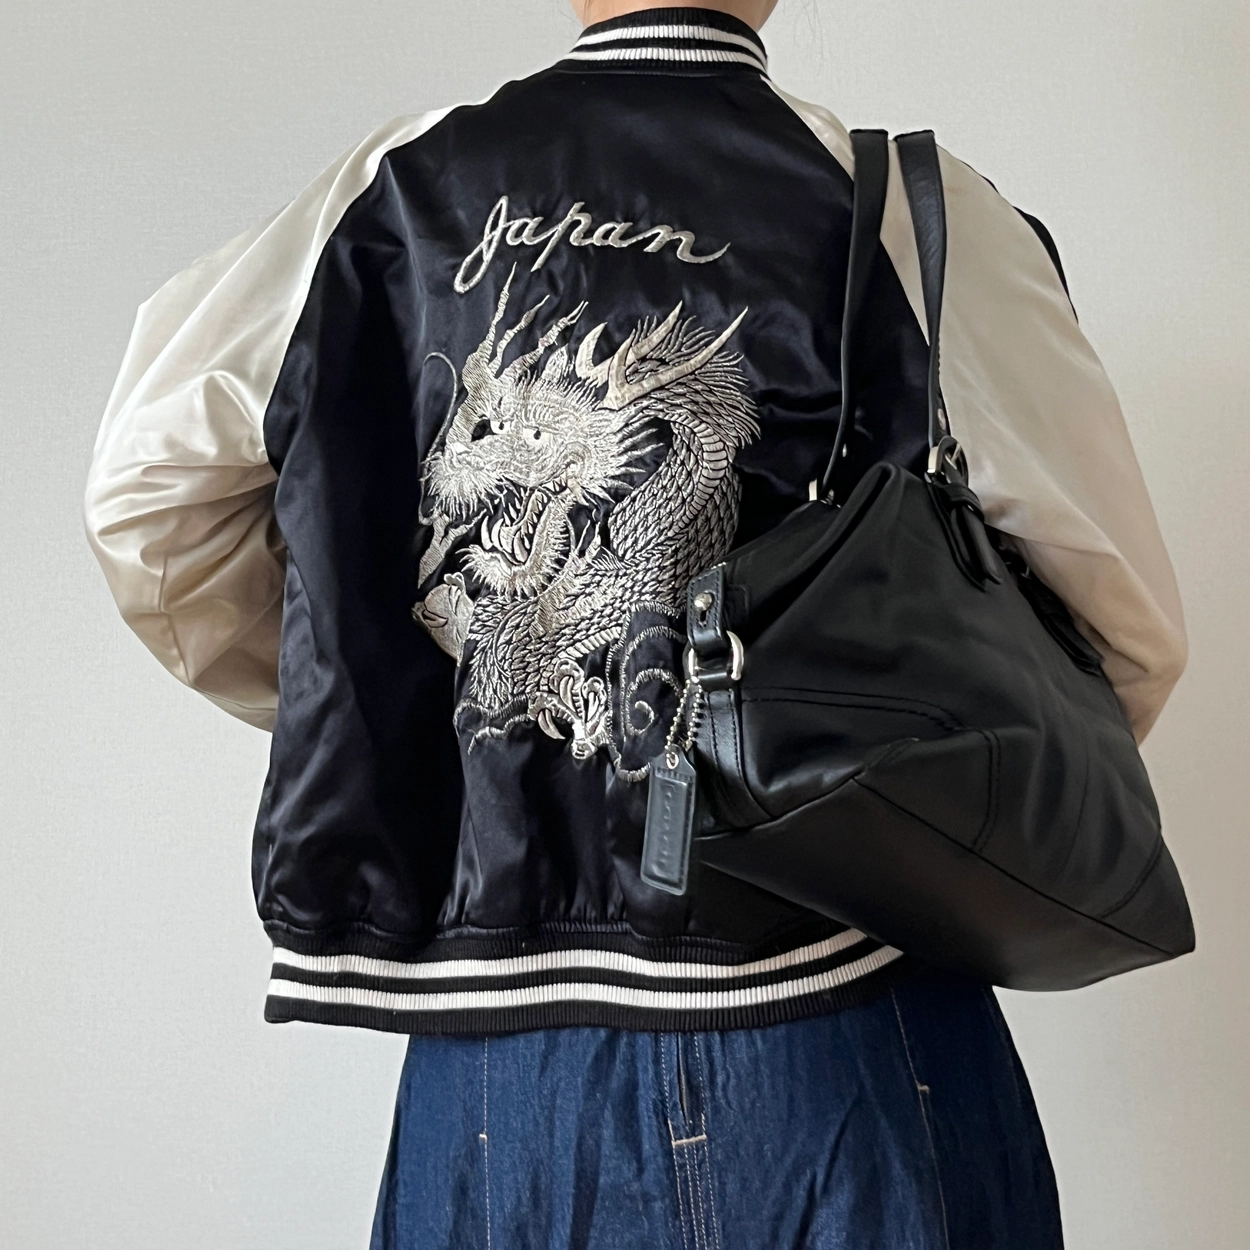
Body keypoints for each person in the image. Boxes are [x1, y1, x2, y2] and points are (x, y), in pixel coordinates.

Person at [84, 1, 1186, 1245]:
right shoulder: (912, 213)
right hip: (849, 1039)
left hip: (502, 1077)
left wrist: (387, 690)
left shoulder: (389, 191)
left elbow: (143, 503)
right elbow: (1122, 637)